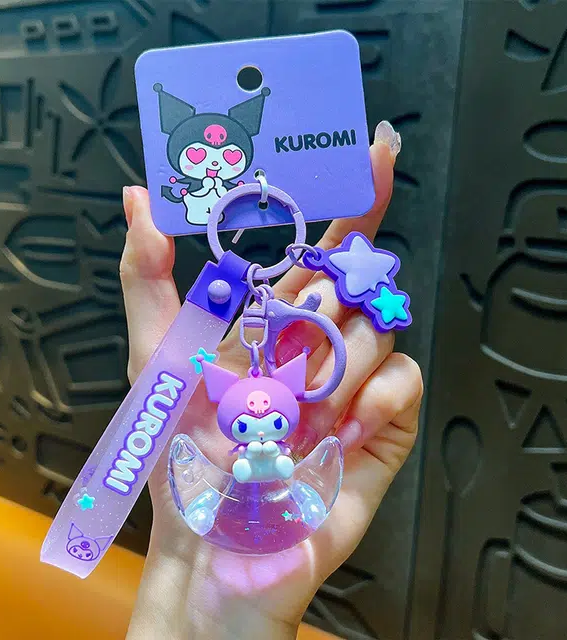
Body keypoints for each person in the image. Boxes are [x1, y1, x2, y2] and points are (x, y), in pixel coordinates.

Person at [120, 121, 423, 639]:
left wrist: (231, 625)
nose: (259, 417)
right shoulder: (213, 460)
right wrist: (184, 583)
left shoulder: (278, 444)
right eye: (247, 419)